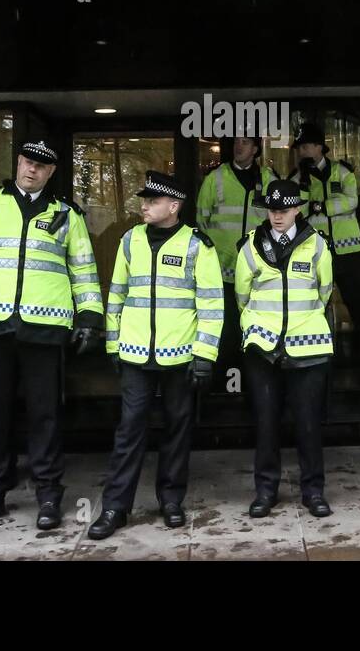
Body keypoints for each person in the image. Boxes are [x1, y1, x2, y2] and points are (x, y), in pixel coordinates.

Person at [0, 140, 103, 530]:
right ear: (18, 162)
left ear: (52, 171)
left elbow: (84, 270)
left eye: (42, 165)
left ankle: (48, 497)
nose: (32, 170)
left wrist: (90, 318)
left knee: (46, 417)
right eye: (28, 162)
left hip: (44, 329)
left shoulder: (67, 214)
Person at [88, 171, 224, 540]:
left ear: (174, 206)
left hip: (180, 355)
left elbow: (212, 304)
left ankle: (171, 500)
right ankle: (116, 507)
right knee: (129, 430)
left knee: (177, 429)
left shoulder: (198, 245)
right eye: (144, 200)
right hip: (134, 353)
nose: (144, 206)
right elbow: (116, 293)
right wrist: (113, 344)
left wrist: (204, 356)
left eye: (152, 201)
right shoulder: (130, 240)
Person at [236, 179, 335, 519]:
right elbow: (242, 295)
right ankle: (265, 491)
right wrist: (259, 327)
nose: (276, 217)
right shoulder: (250, 246)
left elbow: (325, 291)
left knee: (308, 423)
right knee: (265, 423)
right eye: (271, 210)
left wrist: (299, 322)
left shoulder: (317, 245)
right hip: (263, 346)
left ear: (297, 209)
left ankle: (314, 491)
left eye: (283, 210)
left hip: (307, 346)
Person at [291, 122, 360, 396]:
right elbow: (296, 209)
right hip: (316, 255)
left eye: (306, 146)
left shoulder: (343, 171)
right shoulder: (297, 178)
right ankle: (314, 378)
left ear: (319, 147)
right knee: (311, 315)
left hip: (349, 253)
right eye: (300, 147)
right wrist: (308, 191)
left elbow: (351, 201)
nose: (303, 151)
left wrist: (322, 206)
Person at [195, 134, 278, 374]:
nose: (238, 146)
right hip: (222, 269)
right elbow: (201, 220)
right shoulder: (216, 177)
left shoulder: (267, 179)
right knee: (226, 327)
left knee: (255, 326)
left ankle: (251, 378)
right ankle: (225, 377)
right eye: (236, 142)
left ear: (255, 149)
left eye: (245, 142)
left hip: (257, 269)